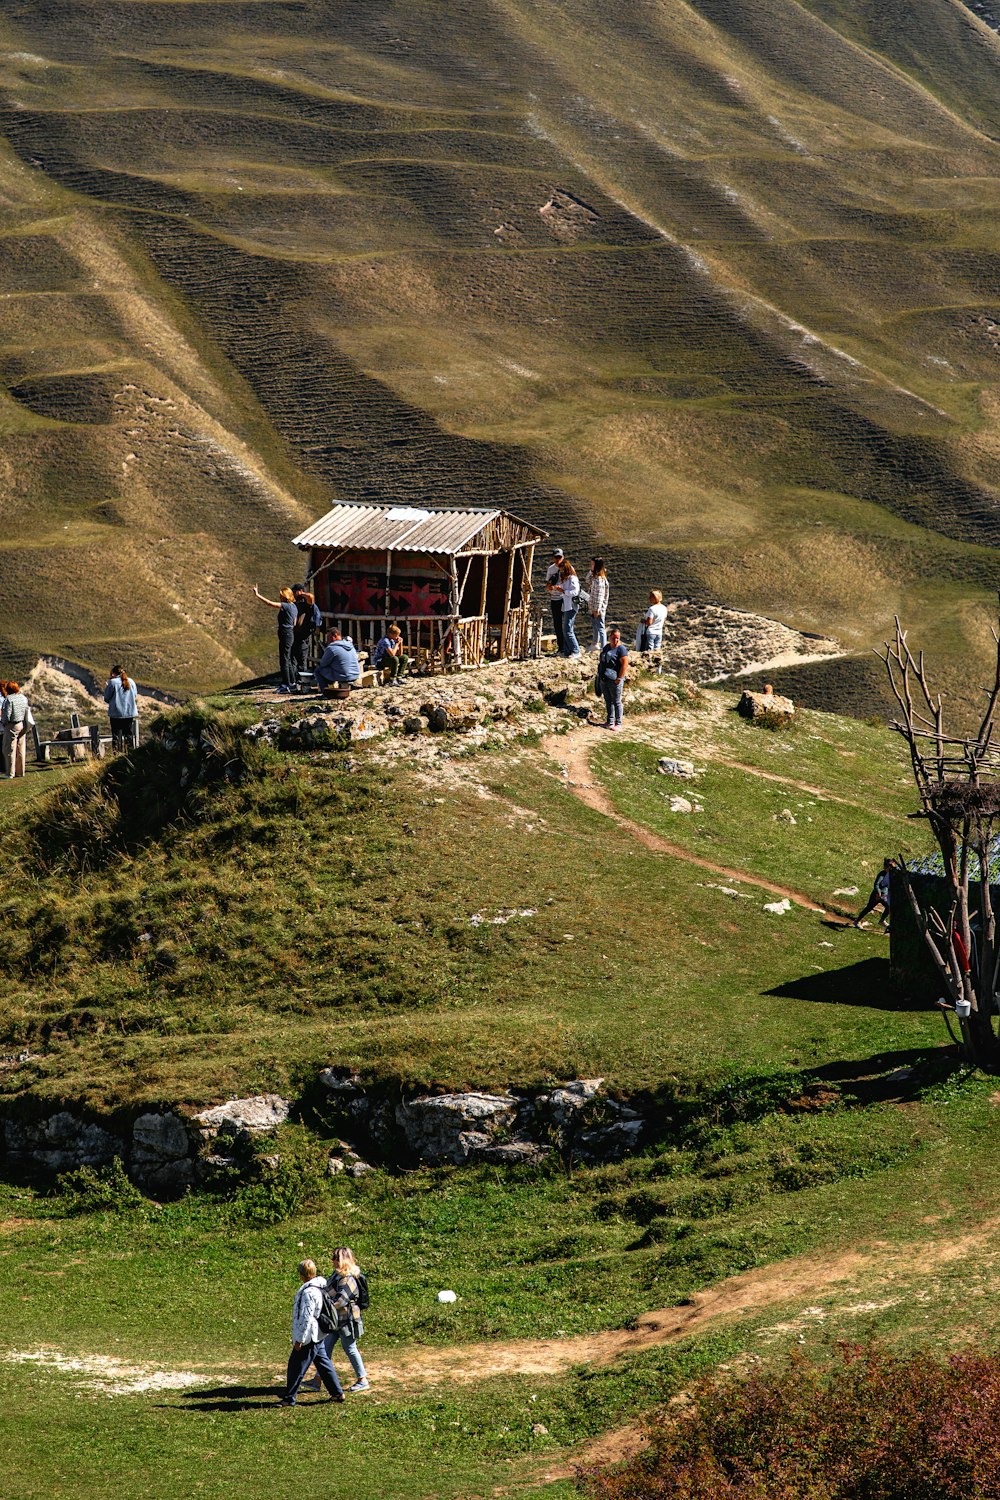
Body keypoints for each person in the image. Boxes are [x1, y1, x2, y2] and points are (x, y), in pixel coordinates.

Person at [304, 1247, 370, 1395]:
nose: (332, 1260)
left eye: (334, 1257)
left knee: (350, 1349)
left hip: (346, 1321)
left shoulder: (349, 1279)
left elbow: (340, 1301)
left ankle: (362, 1380)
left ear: (342, 1260)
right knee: (325, 1348)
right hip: (336, 1320)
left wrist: (323, 1305)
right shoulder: (337, 1275)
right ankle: (317, 1379)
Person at [279, 1259, 345, 1407]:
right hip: (319, 1334)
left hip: (309, 1336)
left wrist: (300, 1339)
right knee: (323, 1364)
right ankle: (337, 1393)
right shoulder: (321, 1286)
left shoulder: (309, 1292)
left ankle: (289, 1399)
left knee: (296, 1367)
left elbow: (306, 1318)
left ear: (302, 1274)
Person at [254, 585, 298, 693]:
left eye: (281, 595)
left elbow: (270, 603)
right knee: (288, 658)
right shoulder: (294, 607)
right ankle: (292, 682)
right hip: (290, 633)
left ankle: (286, 684)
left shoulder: (286, 606)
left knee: (284, 660)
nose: (280, 597)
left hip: (285, 633)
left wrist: (257, 594)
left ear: (285, 596)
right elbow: (295, 622)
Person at [1, 681, 34, 779]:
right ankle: (20, 772)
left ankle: (10, 773)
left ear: (8, 689)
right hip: (22, 724)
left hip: (12, 726)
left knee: (9, 749)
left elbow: (7, 715)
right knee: (20, 748)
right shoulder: (23, 698)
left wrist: (4, 723)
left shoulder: (8, 699)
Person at [598, 628, 628, 730]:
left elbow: (624, 665)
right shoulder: (606, 647)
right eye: (614, 637)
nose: (616, 640)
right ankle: (609, 721)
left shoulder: (621, 649)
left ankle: (618, 723)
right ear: (610, 637)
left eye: (617, 638)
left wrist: (619, 678)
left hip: (615, 679)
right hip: (605, 677)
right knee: (608, 700)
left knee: (616, 701)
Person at [103, 665, 139, 752]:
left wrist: (107, 687)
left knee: (116, 735)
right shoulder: (131, 681)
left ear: (114, 673)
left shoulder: (112, 683)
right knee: (128, 734)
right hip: (129, 713)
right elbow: (134, 695)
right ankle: (130, 753)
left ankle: (117, 753)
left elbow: (106, 698)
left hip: (116, 713)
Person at [292, 588, 323, 685]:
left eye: (294, 592)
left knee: (302, 659)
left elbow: (311, 597)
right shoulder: (295, 604)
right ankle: (294, 681)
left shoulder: (307, 605)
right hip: (294, 635)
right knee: (293, 659)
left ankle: (303, 682)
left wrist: (301, 593)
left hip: (303, 636)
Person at [854, 859, 896, 930]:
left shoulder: (890, 875)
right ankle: (857, 921)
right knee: (869, 908)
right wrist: (878, 892)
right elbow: (876, 884)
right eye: (890, 868)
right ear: (885, 867)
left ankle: (882, 920)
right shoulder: (882, 874)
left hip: (884, 895)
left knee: (889, 907)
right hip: (876, 895)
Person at [552, 559, 581, 657]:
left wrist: (564, 591)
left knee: (568, 629)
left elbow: (575, 592)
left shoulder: (573, 578)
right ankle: (568, 650)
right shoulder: (566, 578)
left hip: (571, 606)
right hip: (566, 606)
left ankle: (576, 650)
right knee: (566, 629)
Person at [545, 548, 566, 654]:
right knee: (557, 624)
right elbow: (547, 585)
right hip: (555, 599)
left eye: (559, 557)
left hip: (565, 599)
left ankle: (567, 645)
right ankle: (561, 646)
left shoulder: (568, 569)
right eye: (556, 557)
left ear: (563, 557)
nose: (558, 559)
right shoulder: (551, 569)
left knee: (566, 624)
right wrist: (551, 587)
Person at [586, 558, 609, 651]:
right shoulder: (594, 577)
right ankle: (595, 643)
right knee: (595, 626)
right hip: (593, 606)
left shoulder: (600, 580)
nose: (590, 566)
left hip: (597, 608)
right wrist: (591, 571)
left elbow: (600, 596)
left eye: (592, 564)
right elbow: (587, 580)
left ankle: (603, 647)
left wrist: (597, 609)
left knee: (600, 627)